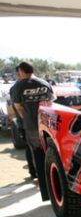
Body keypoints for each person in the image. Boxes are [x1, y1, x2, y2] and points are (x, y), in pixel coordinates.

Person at [11, 62, 54, 197]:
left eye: (19, 72)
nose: (18, 75)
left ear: (23, 71)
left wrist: (27, 119)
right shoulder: (45, 83)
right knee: (49, 153)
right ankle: (52, 186)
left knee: (37, 153)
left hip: (31, 126)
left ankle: (45, 187)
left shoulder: (18, 86)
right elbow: (51, 102)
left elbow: (18, 107)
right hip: (48, 124)